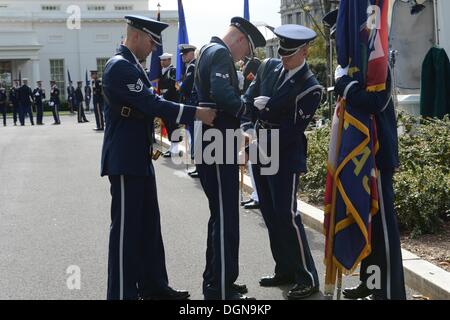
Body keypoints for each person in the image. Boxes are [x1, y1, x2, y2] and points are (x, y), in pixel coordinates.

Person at [101, 15, 216, 300]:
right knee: (126, 231)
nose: (153, 48)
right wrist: (196, 113)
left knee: (149, 224)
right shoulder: (119, 68)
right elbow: (151, 103)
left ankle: (154, 286)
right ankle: (121, 294)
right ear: (137, 36)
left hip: (138, 155)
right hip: (125, 159)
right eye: (151, 41)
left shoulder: (131, 67)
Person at [324, 9, 406, 301]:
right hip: (362, 151)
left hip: (377, 153)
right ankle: (371, 285)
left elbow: (375, 101)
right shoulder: (354, 65)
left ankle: (391, 292)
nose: (338, 43)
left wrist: (345, 85)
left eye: (341, 36)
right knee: (367, 221)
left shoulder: (376, 60)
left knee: (382, 226)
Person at [243, 24, 323, 300]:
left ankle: (307, 276)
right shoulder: (269, 67)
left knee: (287, 216)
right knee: (270, 213)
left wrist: (270, 108)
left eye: (289, 54)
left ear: (304, 52)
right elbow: (248, 98)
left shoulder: (311, 88)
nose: (283, 59)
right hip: (259, 148)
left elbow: (293, 129)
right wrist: (248, 126)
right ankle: (285, 269)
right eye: (282, 52)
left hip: (284, 154)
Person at [194, 16, 266, 300]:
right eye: (246, 49)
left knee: (220, 215)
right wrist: (248, 110)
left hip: (211, 138)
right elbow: (223, 94)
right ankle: (221, 286)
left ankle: (217, 279)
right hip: (218, 139)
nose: (243, 57)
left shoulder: (207, 51)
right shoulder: (221, 52)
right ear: (238, 38)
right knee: (225, 216)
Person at [240, 57, 262, 210]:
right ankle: (257, 195)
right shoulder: (255, 83)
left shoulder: (258, 83)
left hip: (256, 128)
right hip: (251, 127)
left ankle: (258, 196)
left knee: (254, 163)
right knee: (252, 162)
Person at [178, 44, 199, 178]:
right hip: (192, 104)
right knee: (193, 136)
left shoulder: (192, 66)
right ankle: (198, 164)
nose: (184, 56)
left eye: (186, 54)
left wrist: (181, 88)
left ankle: (198, 165)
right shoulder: (190, 66)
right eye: (183, 54)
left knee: (195, 136)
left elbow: (186, 87)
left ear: (192, 53)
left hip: (192, 105)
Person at [158, 52, 182, 157]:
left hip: (171, 100)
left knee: (173, 125)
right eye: (161, 60)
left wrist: (163, 97)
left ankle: (175, 148)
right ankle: (172, 147)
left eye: (164, 60)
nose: (162, 62)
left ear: (169, 60)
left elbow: (173, 87)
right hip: (164, 100)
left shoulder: (173, 71)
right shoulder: (162, 72)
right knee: (167, 124)